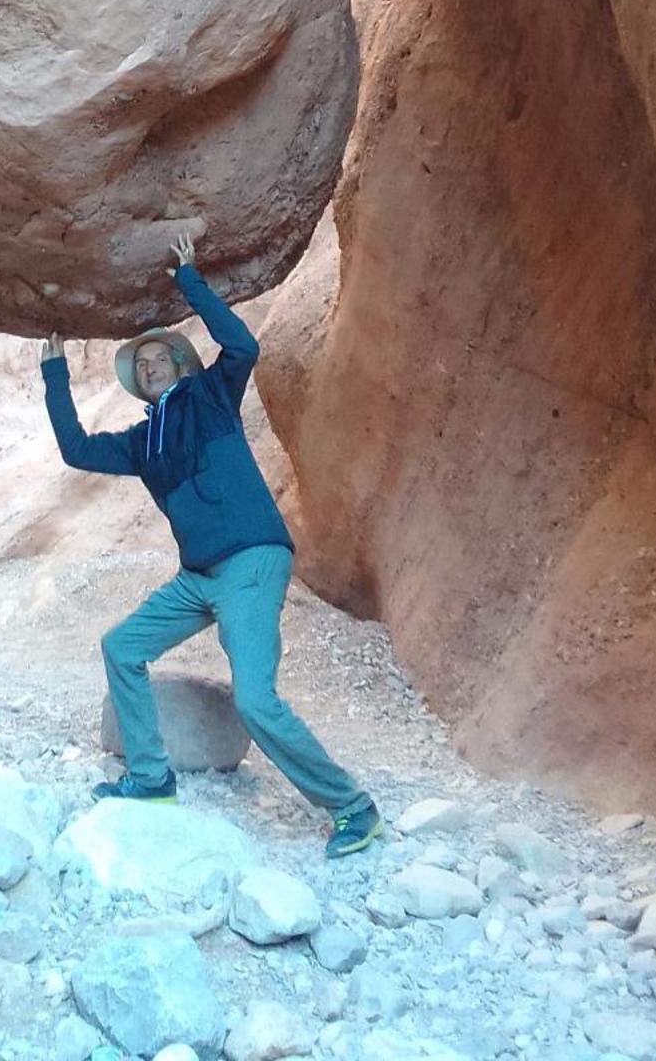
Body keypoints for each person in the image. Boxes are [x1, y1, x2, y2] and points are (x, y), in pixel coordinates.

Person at [39, 231, 384, 859]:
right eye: (141, 369)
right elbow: (77, 449)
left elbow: (242, 344)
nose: (149, 370)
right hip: (199, 576)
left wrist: (189, 281)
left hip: (253, 558)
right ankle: (149, 778)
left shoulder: (211, 398)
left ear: (181, 365)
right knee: (122, 647)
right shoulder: (145, 443)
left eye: (159, 361)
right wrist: (53, 372)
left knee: (254, 698)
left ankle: (353, 807)